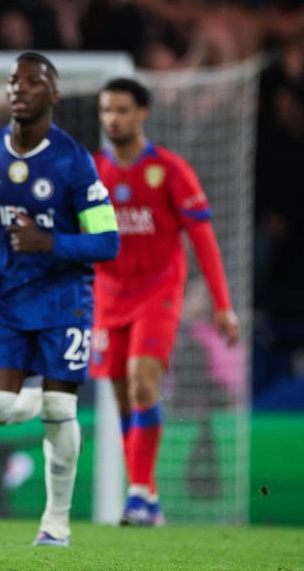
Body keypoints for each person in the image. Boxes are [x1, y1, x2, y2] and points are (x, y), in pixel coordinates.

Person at [0, 52, 120, 547]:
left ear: (54, 95)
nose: (20, 88)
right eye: (13, 81)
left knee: (58, 420)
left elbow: (108, 242)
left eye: (33, 81)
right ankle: (57, 403)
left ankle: (56, 522)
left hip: (65, 302)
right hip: (6, 301)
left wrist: (51, 243)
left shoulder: (73, 160)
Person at [91, 77, 240, 526]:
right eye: (105, 111)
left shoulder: (170, 170)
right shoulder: (94, 171)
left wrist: (222, 304)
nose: (112, 119)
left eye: (120, 110)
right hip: (109, 295)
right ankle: (148, 496)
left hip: (159, 292)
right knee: (121, 398)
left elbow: (204, 239)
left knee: (141, 383)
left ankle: (136, 494)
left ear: (142, 114)